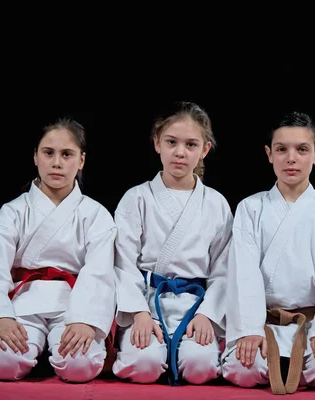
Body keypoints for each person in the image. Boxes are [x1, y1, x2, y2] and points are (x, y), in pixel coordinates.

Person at [0, 118, 117, 382]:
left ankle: (50, 349)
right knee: (3, 363)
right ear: (35, 157)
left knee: (81, 367)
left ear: (81, 160)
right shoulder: (12, 213)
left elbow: (100, 273)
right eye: (48, 153)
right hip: (23, 301)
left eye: (67, 154)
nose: (57, 163)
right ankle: (35, 347)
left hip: (73, 304)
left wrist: (86, 319)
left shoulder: (96, 215)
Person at [221, 111, 315, 394]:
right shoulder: (250, 208)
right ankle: (287, 365)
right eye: (281, 149)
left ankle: (291, 362)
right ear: (269, 154)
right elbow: (243, 275)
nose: (291, 158)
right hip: (265, 324)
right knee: (242, 369)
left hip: (312, 325)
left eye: (302, 149)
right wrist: (249, 328)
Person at [112, 101, 233, 386]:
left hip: (195, 305)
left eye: (191, 145)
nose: (180, 152)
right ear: (157, 144)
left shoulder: (216, 204)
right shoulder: (136, 198)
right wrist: (138, 313)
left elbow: (224, 270)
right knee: (144, 366)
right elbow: (122, 263)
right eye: (171, 142)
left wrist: (208, 314)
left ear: (204, 150)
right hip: (147, 301)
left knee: (200, 368)